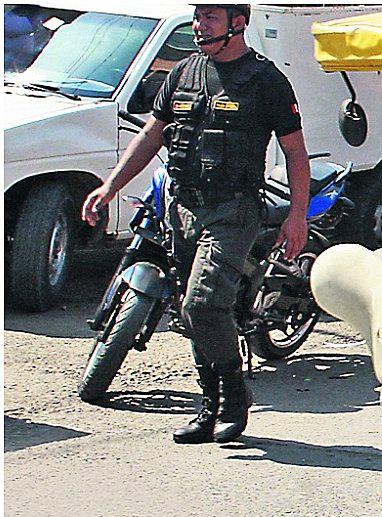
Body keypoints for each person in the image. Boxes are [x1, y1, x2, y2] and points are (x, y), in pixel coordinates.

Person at [80, 4, 310, 443]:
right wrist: (110, 186)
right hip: (182, 208)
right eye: (198, 17)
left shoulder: (267, 81)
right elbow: (152, 134)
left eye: (210, 18)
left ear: (237, 24)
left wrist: (297, 216)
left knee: (200, 305)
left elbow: (296, 153)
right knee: (193, 315)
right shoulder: (183, 72)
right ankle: (208, 406)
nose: (199, 25)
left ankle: (235, 397)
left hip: (234, 211)